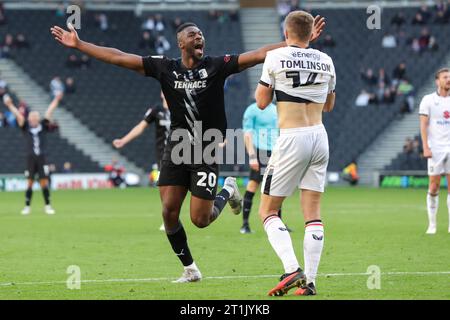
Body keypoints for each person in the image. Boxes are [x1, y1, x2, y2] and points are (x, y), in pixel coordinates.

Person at [50, 17, 326, 283]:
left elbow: (258, 54)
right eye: (192, 35)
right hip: (177, 146)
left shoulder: (218, 65)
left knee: (200, 220)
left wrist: (296, 44)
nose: (199, 37)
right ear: (180, 43)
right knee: (169, 212)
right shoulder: (164, 68)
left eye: (201, 35)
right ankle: (191, 269)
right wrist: (81, 45)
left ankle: (228, 189)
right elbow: (119, 56)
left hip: (205, 147)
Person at [255, 10, 335, 296]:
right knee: (312, 213)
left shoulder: (274, 57)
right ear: (311, 32)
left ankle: (292, 269)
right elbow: (329, 106)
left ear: (286, 33)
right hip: (320, 136)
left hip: (292, 138)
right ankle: (310, 282)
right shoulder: (326, 60)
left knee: (268, 210)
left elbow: (261, 102)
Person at [113, 91, 170, 232]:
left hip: (182, 153)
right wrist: (124, 140)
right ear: (161, 93)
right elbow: (141, 126)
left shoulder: (181, 107)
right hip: (163, 155)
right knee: (164, 187)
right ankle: (168, 219)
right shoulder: (156, 110)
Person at [3, 93, 63, 215]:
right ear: (29, 119)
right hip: (30, 158)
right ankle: (27, 206)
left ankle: (47, 205)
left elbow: (50, 111)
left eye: (36, 117)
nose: (34, 119)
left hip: (41, 157)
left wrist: (56, 100)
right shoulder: (25, 127)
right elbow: (18, 116)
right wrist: (10, 105)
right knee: (29, 182)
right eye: (32, 117)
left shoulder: (43, 126)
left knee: (44, 182)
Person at [241, 100, 280, 234]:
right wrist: (252, 156)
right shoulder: (252, 110)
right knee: (253, 185)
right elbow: (247, 133)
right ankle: (245, 224)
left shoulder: (276, 109)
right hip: (259, 151)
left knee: (276, 186)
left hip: (275, 152)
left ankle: (278, 223)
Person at [419, 68, 450, 234]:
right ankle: (432, 224)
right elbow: (423, 124)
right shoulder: (428, 100)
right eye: (445, 77)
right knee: (434, 186)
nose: (448, 80)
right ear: (437, 81)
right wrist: (426, 147)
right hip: (435, 148)